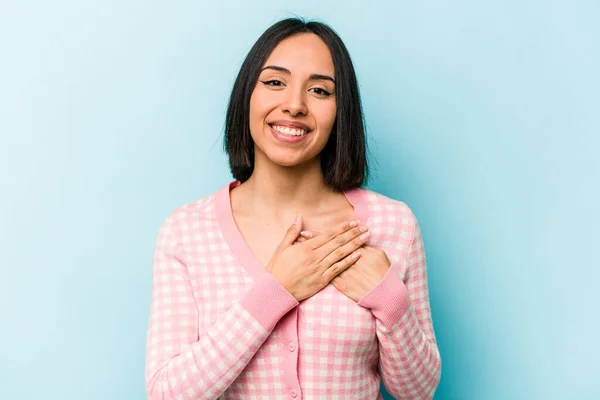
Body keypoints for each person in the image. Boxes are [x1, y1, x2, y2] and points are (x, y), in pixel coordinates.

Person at [145, 17, 441, 400]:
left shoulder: (393, 224)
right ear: (246, 96)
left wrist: (390, 299)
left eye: (319, 90)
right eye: (274, 82)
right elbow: (167, 393)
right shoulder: (187, 231)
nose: (295, 105)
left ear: (340, 112)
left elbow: (417, 392)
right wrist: (277, 290)